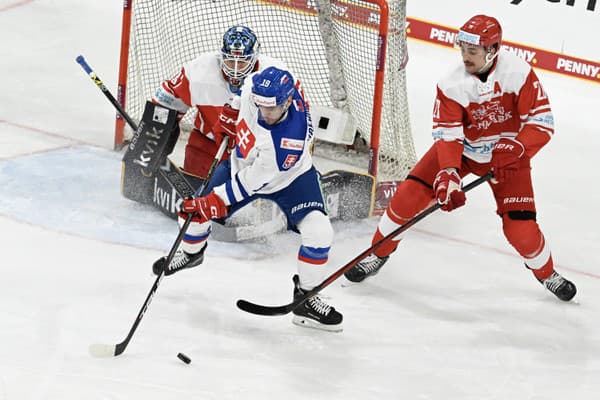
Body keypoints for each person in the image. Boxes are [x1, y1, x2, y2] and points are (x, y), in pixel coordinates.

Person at [344, 15, 577, 302]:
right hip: (464, 153)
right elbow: (450, 136)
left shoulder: (518, 73)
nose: (465, 56)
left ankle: (547, 274)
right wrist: (449, 174)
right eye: (463, 49)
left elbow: (542, 121)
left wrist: (517, 147)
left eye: (473, 51)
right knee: (407, 197)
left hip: (508, 158)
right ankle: (377, 253)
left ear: (492, 50)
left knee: (521, 231)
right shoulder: (451, 84)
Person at [154, 66, 344, 331]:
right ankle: (192, 253)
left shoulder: (288, 140)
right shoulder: (257, 84)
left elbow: (251, 182)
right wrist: (232, 111)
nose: (264, 112)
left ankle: (307, 299)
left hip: (290, 178)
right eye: (260, 105)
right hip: (242, 165)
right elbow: (241, 91)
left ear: (288, 101)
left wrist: (216, 199)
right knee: (192, 213)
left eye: (271, 109)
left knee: (319, 232)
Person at [152, 25, 286, 177]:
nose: (235, 69)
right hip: (207, 147)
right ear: (221, 56)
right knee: (198, 193)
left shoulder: (275, 75)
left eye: (242, 62)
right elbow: (166, 100)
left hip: (255, 155)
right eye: (230, 61)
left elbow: (296, 118)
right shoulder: (200, 70)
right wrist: (151, 141)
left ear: (254, 58)